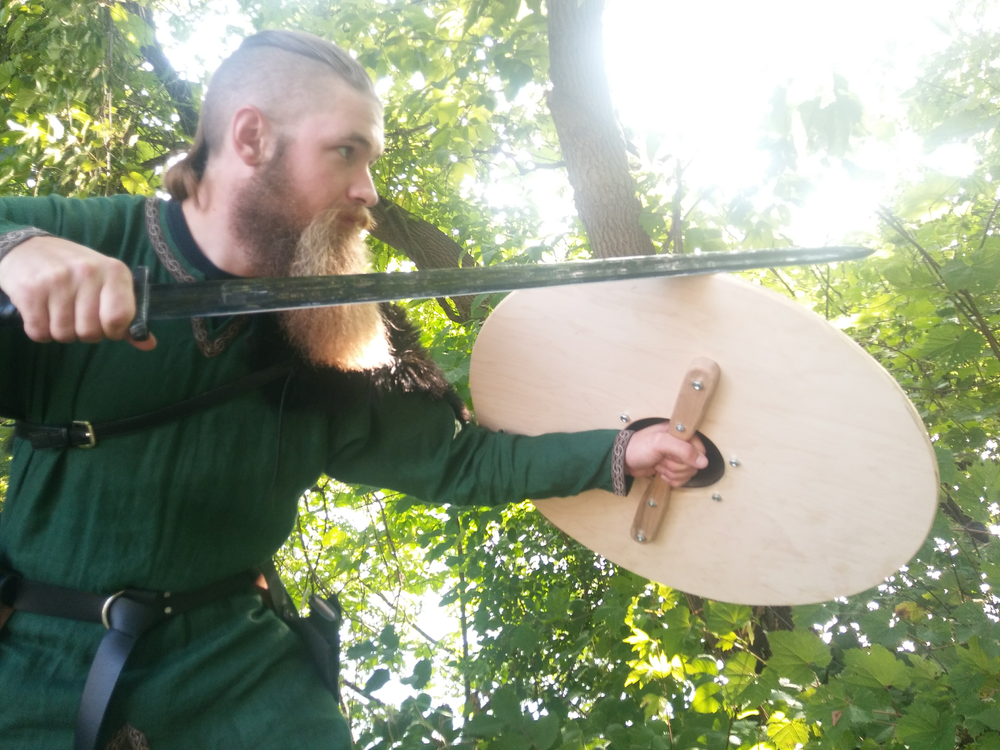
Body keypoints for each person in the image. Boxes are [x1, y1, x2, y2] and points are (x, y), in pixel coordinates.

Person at [0, 30, 707, 750]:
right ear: (251, 137)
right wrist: (16, 253)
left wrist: (624, 448)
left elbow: (459, 461)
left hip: (245, 680)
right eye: (347, 151)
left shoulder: (344, 328)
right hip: (35, 663)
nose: (369, 191)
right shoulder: (84, 238)